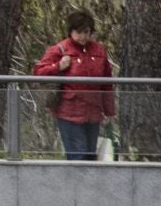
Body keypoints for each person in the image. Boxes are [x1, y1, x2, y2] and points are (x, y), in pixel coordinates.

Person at [32, 10, 116, 161]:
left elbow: (106, 82)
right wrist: (58, 66)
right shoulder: (60, 49)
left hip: (93, 112)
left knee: (90, 155)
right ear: (71, 31)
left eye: (87, 32)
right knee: (79, 154)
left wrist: (109, 110)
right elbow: (38, 72)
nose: (83, 36)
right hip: (69, 112)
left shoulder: (99, 50)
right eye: (79, 32)